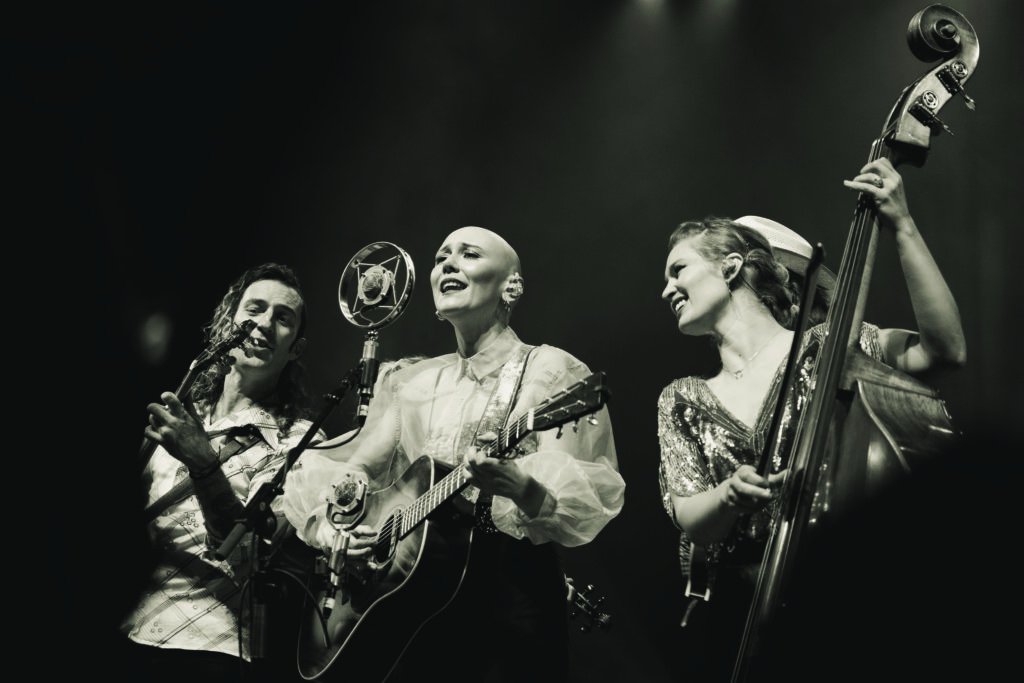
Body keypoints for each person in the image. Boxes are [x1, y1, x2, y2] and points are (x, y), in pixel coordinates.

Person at [656, 158, 966, 681]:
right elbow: (689, 514)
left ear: (730, 267)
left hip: (842, 592)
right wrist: (729, 495)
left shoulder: (831, 348)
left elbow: (943, 351)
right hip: (742, 613)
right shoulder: (681, 398)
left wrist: (903, 225)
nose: (666, 290)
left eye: (677, 270)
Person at [282, 226, 625, 683]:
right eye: (441, 256)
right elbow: (358, 466)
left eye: (469, 254)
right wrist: (339, 527)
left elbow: (577, 504)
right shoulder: (415, 384)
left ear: (512, 286)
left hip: (510, 594)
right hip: (418, 596)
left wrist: (521, 488)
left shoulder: (549, 370)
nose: (447, 263)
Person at [121, 263, 324, 682]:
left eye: (282, 318)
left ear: (296, 349)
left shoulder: (300, 441)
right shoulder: (181, 411)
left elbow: (253, 559)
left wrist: (203, 462)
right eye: (255, 309)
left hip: (208, 648)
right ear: (229, 322)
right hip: (126, 631)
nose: (264, 323)